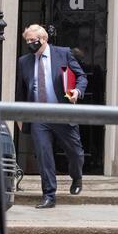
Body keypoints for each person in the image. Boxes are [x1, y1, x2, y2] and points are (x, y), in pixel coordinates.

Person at [15, 24, 88, 209]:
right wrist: (19, 116)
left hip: (62, 112)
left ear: (44, 39)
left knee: (75, 153)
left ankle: (77, 177)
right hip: (39, 114)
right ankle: (49, 195)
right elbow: (21, 92)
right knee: (43, 154)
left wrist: (77, 92)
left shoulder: (63, 53)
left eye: (33, 40)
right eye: (28, 41)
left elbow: (82, 77)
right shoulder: (24, 62)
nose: (30, 43)